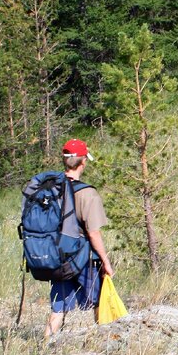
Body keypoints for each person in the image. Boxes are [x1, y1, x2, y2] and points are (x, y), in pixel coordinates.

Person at [45, 139, 115, 338]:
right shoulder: (88, 193)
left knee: (58, 310)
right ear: (83, 161)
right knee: (98, 302)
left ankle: (44, 347)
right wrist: (106, 261)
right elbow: (93, 233)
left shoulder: (51, 189)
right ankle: (103, 344)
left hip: (58, 258)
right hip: (84, 259)